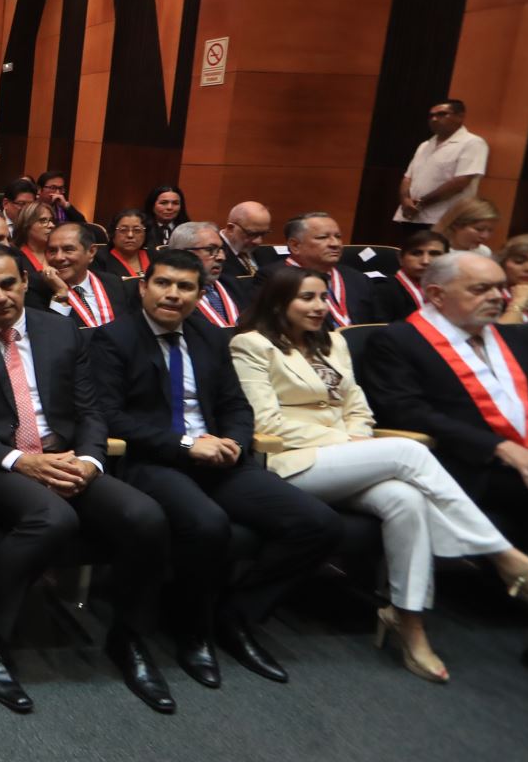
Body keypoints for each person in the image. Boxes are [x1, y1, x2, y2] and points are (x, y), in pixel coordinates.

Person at [230, 263, 528, 683]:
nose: (319, 306)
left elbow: (358, 408)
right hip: (290, 463)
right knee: (407, 453)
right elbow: (269, 423)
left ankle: (409, 623)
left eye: (322, 297)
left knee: (405, 500)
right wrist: (349, 444)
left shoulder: (333, 343)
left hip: (348, 458)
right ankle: (503, 555)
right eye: (306, 298)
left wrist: (358, 440)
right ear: (279, 302)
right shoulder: (252, 345)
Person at [0, 245, 178, 712]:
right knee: (53, 519)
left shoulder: (61, 329)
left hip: (65, 456)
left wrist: (89, 460)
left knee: (146, 517)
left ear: (26, 281)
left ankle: (128, 638)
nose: (0, 296)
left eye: (9, 283)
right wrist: (17, 461)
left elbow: (90, 409)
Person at [90, 249, 343, 687]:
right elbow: (112, 417)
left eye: (186, 287)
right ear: (144, 286)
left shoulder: (209, 336)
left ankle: (234, 615)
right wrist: (188, 444)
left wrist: (234, 442)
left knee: (317, 524)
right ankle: (187, 631)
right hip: (152, 459)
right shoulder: (113, 339)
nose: (173, 295)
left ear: (199, 293)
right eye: (164, 283)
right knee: (207, 525)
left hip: (219, 458)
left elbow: (236, 406)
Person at [363, 252, 528, 544]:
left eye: (498, 287)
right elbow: (406, 413)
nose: (497, 297)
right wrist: (500, 447)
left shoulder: (512, 337)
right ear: (436, 294)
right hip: (463, 460)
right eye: (481, 289)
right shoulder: (397, 341)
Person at [258, 212, 376, 328]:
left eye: (338, 237)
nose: (335, 244)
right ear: (295, 245)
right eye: (323, 237)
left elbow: (376, 325)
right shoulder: (272, 277)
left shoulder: (357, 278)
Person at [396, 99, 487, 232]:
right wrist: (405, 200)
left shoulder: (472, 143)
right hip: (411, 216)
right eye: (431, 115)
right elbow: (407, 178)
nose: (434, 119)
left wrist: (420, 204)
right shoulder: (425, 145)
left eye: (442, 114)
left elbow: (460, 183)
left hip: (445, 219)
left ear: (460, 116)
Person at [40, 221, 136, 328]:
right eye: (52, 251)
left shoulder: (114, 283)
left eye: (68, 250)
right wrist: (60, 293)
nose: (59, 257)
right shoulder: (36, 288)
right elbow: (49, 335)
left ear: (91, 251)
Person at [167, 220, 249, 328]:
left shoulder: (234, 284)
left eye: (221, 250)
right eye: (210, 250)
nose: (221, 257)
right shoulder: (171, 294)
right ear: (184, 253)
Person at [374, 229, 449, 322]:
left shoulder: (454, 288)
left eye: (434, 254)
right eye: (416, 253)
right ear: (400, 258)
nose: (425, 261)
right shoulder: (382, 290)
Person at [220, 201, 274, 277]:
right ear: (230, 228)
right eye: (251, 234)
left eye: (263, 234)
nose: (258, 241)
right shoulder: (213, 255)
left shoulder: (266, 255)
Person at [12, 200, 56, 272]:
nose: (51, 225)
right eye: (43, 220)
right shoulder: (17, 257)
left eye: (51, 220)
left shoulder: (59, 252)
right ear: (27, 225)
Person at [105, 208, 151, 277]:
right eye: (123, 230)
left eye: (137, 230)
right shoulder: (101, 261)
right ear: (113, 233)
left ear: (145, 233)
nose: (130, 235)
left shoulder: (155, 257)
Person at [498, 234, 528, 324]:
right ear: (503, 263)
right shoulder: (489, 296)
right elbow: (500, 335)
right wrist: (518, 302)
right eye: (519, 261)